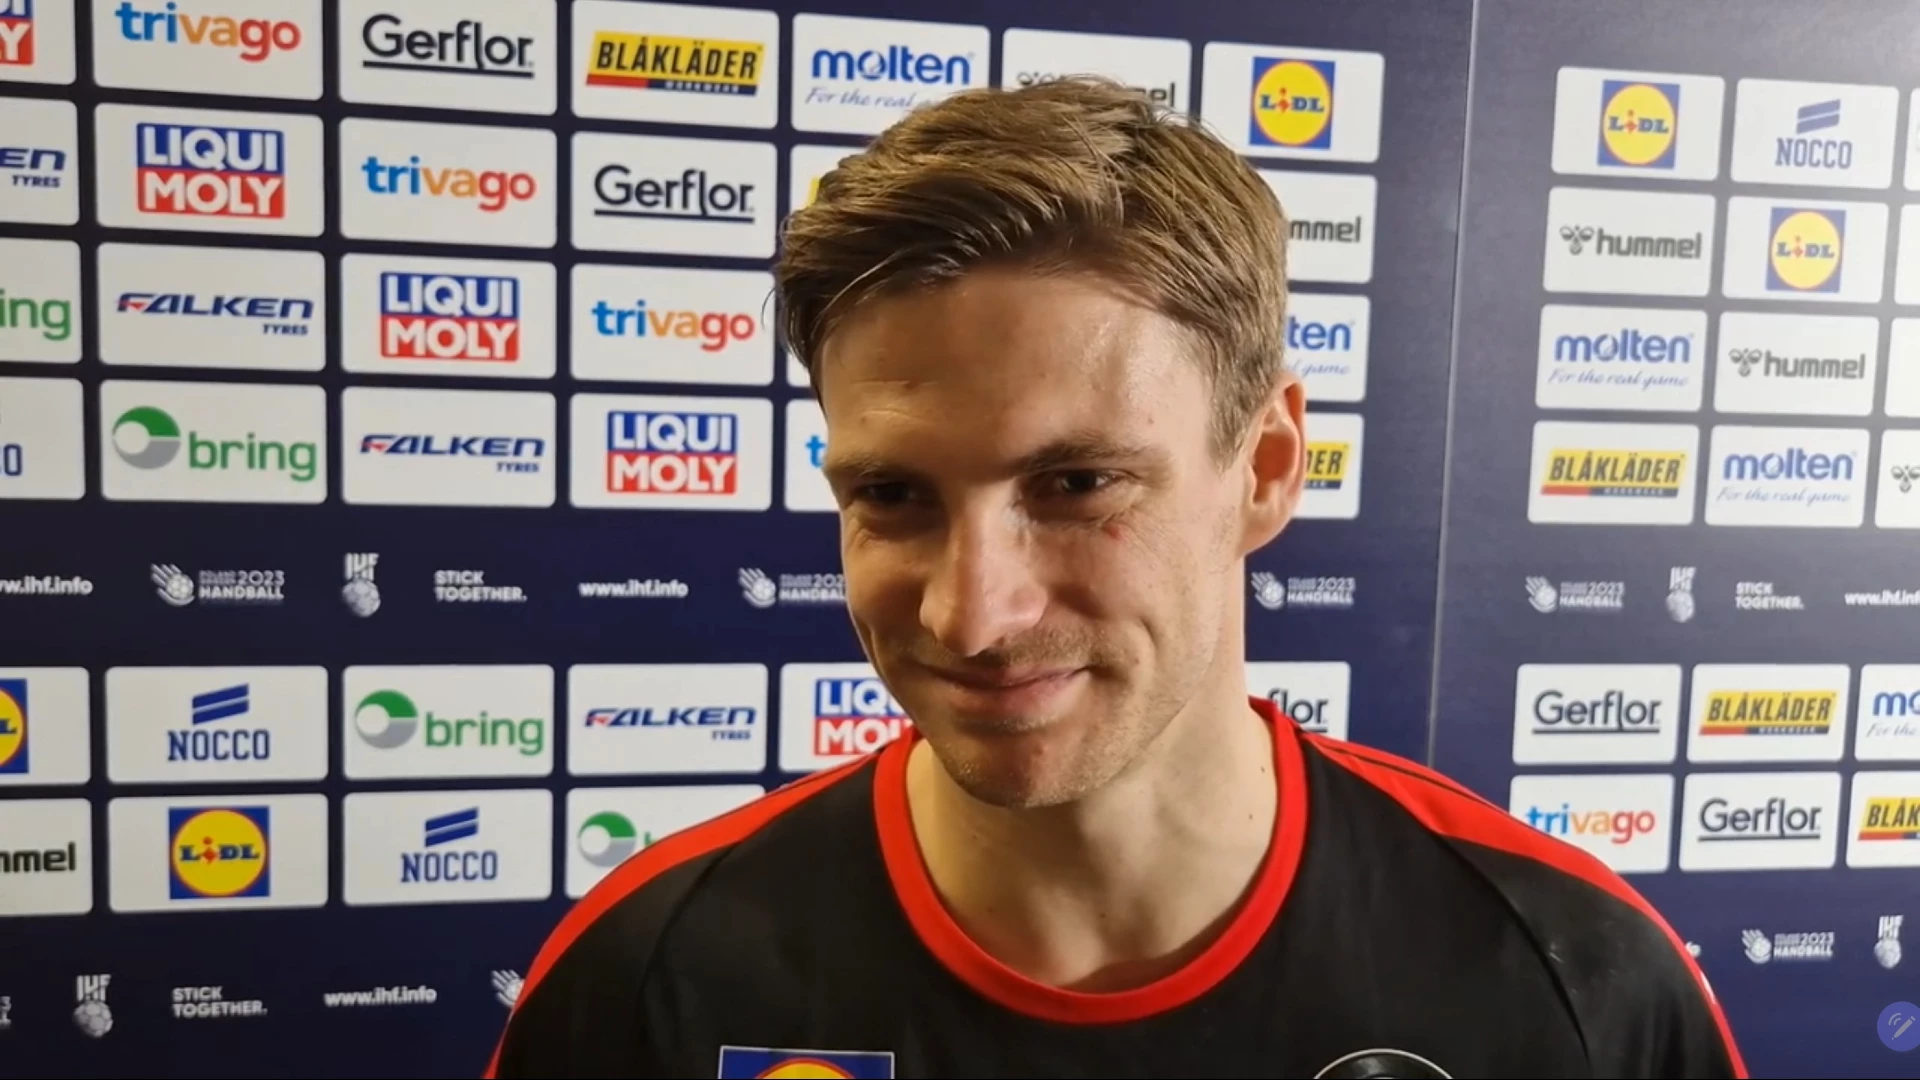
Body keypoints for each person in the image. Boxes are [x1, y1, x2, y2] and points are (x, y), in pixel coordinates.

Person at [486, 77, 1746, 1080]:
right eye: (894, 497)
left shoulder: (1574, 982)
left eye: (1077, 484)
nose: (971, 613)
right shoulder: (644, 978)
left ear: (1265, 466)